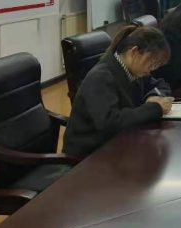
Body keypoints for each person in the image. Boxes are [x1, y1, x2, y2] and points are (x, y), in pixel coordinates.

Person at [64, 26, 174, 157]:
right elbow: (110, 123)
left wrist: (154, 96)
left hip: (119, 143)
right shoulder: (101, 77)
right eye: (151, 63)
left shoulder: (134, 70)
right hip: (89, 155)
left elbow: (160, 84)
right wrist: (154, 108)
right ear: (134, 52)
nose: (152, 69)